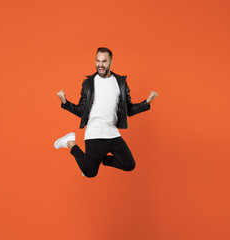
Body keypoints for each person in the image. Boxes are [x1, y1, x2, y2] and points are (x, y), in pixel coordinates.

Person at [54, 47, 158, 178]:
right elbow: (82, 111)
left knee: (129, 164)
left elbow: (129, 110)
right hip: (94, 134)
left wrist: (146, 102)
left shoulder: (121, 83)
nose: (100, 65)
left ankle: (99, 160)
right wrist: (65, 102)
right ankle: (70, 142)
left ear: (111, 62)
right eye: (98, 61)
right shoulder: (88, 84)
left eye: (104, 61)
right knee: (90, 173)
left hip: (112, 134)